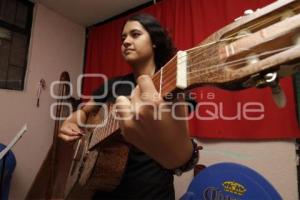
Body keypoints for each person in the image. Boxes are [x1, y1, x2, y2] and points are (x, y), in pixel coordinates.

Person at [59, 13, 199, 200]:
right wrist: (72, 120)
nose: (126, 41)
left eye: (135, 34)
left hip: (151, 194)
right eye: (123, 38)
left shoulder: (170, 83)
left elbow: (178, 135)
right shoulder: (111, 84)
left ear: (154, 42)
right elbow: (84, 112)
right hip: (101, 190)